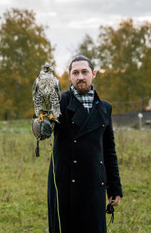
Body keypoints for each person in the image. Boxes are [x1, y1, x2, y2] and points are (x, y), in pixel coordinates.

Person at [41, 55, 123, 233]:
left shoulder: (105, 108)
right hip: (64, 183)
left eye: (84, 72)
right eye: (75, 72)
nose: (80, 77)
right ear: (69, 76)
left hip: (94, 183)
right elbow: (42, 128)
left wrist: (115, 187)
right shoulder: (59, 102)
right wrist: (41, 123)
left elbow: (109, 150)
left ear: (93, 74)